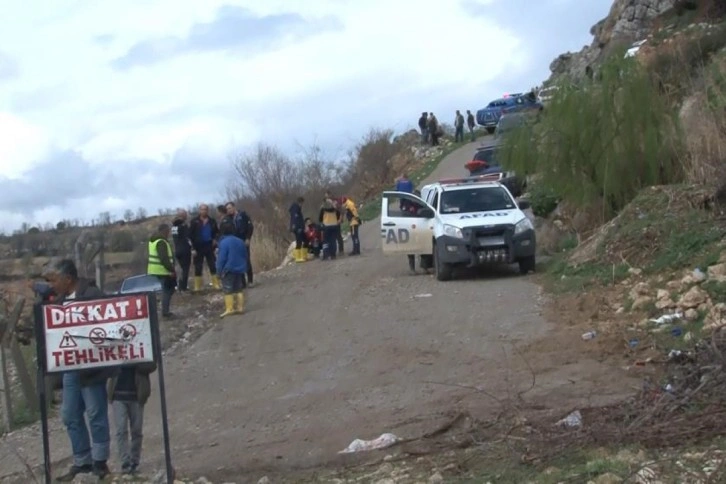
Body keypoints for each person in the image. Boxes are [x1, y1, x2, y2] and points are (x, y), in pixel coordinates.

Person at [47, 259, 114, 481]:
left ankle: (100, 461)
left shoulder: (92, 294)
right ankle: (82, 460)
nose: (52, 284)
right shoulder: (60, 301)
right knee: (70, 415)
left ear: (68, 279)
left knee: (96, 413)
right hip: (70, 368)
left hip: (92, 368)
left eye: (55, 279)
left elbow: (106, 326)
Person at [107, 360, 157, 475]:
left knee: (137, 430)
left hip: (137, 394)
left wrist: (136, 362)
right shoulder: (113, 345)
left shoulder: (141, 346)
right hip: (117, 395)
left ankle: (134, 461)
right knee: (121, 430)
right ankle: (125, 463)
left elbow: (152, 365)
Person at [216, 222, 248, 317]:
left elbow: (221, 258)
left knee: (228, 289)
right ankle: (240, 307)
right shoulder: (240, 241)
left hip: (228, 269)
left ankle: (229, 309)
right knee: (239, 288)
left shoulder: (223, 242)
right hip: (240, 268)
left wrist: (219, 271)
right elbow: (245, 255)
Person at [189, 204, 220, 291]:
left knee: (212, 265)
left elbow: (217, 232)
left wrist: (215, 239)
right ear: (199, 211)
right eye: (202, 209)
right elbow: (189, 236)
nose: (204, 211)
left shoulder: (212, 221)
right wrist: (193, 248)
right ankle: (197, 287)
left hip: (209, 246)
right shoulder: (194, 221)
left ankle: (216, 284)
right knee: (198, 266)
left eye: (205, 209)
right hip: (198, 247)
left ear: (208, 210)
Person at [147, 223, 176, 318]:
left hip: (157, 270)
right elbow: (164, 258)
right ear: (164, 231)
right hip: (163, 270)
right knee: (167, 290)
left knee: (167, 290)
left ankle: (165, 310)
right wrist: (171, 270)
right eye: (168, 231)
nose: (169, 233)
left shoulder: (153, 240)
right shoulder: (161, 242)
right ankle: (165, 312)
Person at [225, 201, 255, 286]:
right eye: (227, 209)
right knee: (238, 261)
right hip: (234, 242)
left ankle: (250, 281)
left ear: (234, 207)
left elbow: (250, 227)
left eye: (230, 208)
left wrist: (248, 238)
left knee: (246, 260)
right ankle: (242, 282)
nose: (229, 210)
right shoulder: (228, 219)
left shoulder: (242, 215)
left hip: (244, 240)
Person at [171, 209, 192, 292]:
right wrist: (192, 248)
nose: (187, 216)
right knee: (185, 269)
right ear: (183, 215)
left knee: (181, 269)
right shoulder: (183, 226)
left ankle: (180, 285)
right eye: (185, 215)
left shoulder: (174, 226)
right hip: (184, 250)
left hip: (177, 250)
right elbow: (188, 237)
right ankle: (183, 287)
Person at [289, 196, 306, 263]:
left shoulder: (297, 208)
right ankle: (297, 258)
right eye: (302, 203)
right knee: (299, 242)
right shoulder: (295, 208)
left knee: (303, 240)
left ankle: (303, 255)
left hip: (299, 227)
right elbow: (295, 218)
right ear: (300, 202)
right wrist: (297, 227)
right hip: (297, 227)